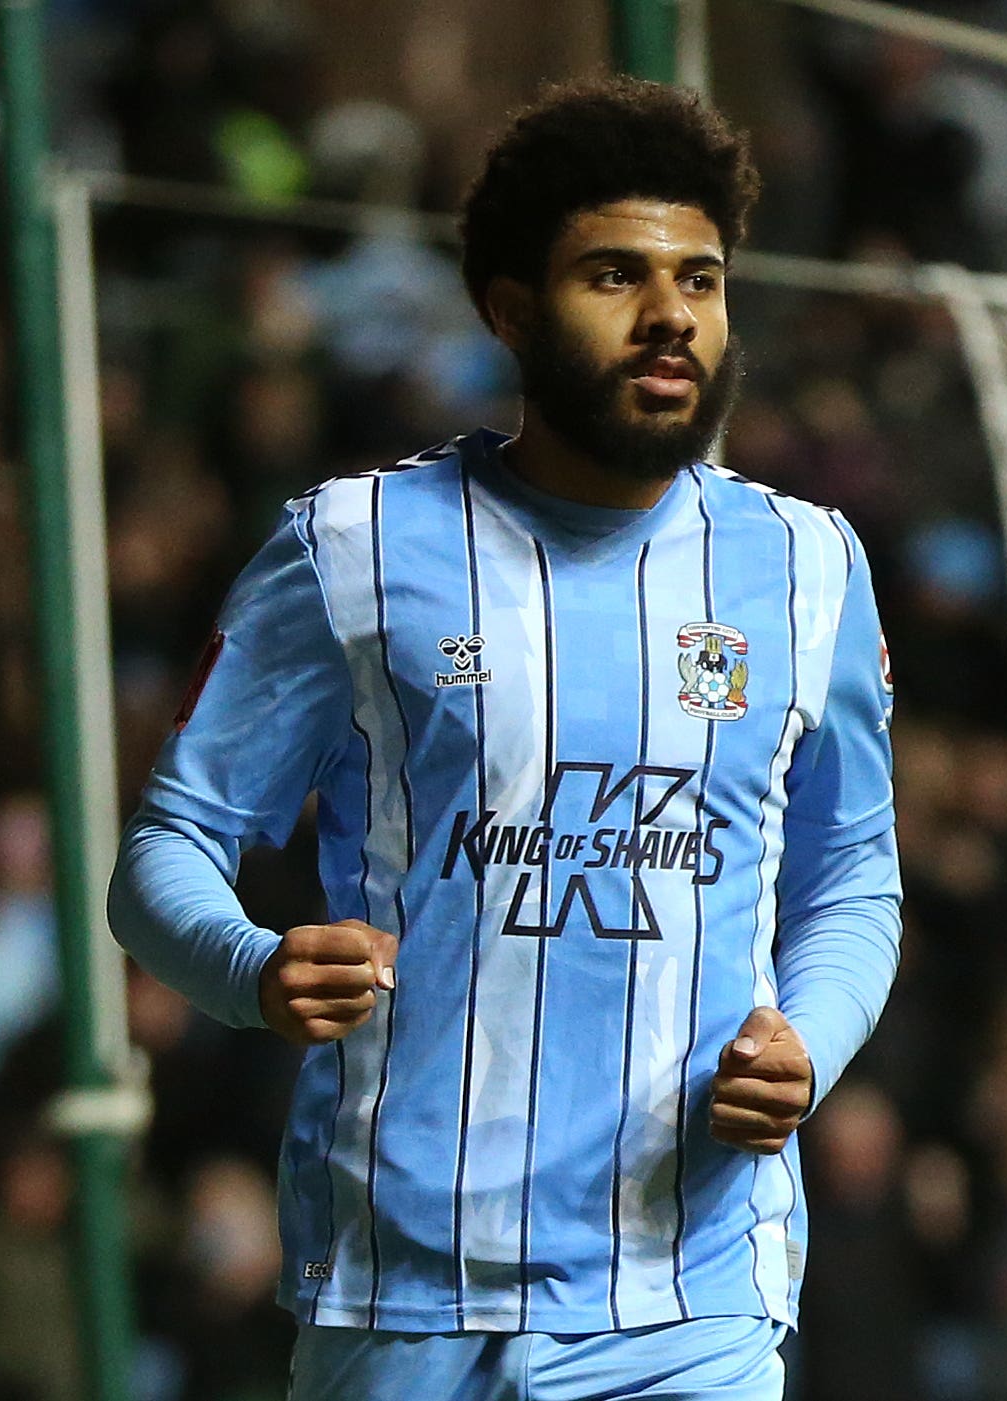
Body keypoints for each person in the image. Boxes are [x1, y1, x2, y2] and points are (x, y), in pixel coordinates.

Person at [109, 76, 902, 1401]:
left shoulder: (807, 566)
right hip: (401, 1294)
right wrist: (249, 967)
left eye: (698, 281)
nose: (669, 315)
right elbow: (166, 849)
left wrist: (808, 1042)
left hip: (688, 1299)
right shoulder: (352, 549)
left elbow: (853, 875)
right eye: (613, 274)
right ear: (509, 307)